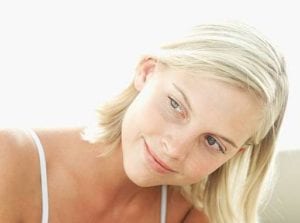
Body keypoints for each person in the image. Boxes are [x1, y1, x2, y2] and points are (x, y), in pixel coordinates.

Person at [0, 21, 288, 223]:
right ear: (147, 72)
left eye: (213, 142)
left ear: (232, 155)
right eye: (176, 105)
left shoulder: (189, 216)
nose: (175, 149)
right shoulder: (10, 159)